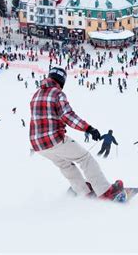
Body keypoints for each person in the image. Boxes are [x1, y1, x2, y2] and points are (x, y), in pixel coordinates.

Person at [29, 67, 123, 200]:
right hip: (54, 140)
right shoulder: (57, 93)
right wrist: (88, 128)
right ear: (62, 80)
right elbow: (67, 115)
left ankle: (83, 191)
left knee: (65, 164)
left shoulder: (36, 94)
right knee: (84, 158)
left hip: (38, 145)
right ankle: (105, 192)